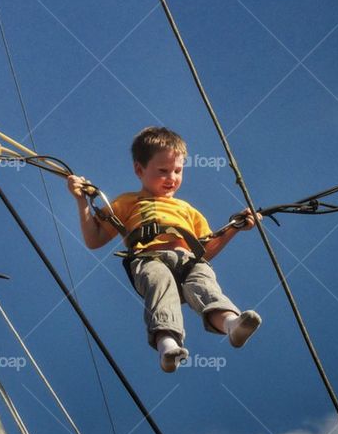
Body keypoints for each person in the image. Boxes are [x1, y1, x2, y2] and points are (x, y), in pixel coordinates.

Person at [68, 126, 262, 372]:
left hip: (189, 260)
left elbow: (206, 249)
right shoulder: (127, 202)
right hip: (150, 259)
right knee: (161, 286)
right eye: (163, 171)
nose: (172, 177)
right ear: (140, 170)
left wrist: (235, 228)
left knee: (203, 284)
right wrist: (81, 202)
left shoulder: (188, 210)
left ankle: (232, 324)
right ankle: (168, 345)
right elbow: (94, 239)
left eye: (178, 171)